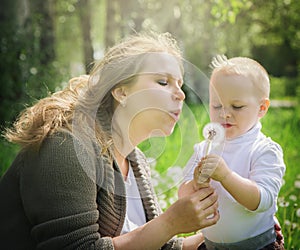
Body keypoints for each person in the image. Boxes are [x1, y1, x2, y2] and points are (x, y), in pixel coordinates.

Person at [0, 32, 219, 250]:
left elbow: (151, 243)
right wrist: (170, 222)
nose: (180, 95)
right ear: (122, 92)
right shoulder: (67, 147)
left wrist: (222, 236)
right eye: (163, 82)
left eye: (179, 84)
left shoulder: (135, 161)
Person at [178, 55, 286, 249]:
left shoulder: (264, 150)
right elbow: (183, 195)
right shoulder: (205, 148)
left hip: (257, 246)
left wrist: (226, 176)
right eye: (217, 105)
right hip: (210, 244)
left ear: (262, 108)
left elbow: (262, 201)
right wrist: (196, 183)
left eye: (237, 106)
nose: (225, 113)